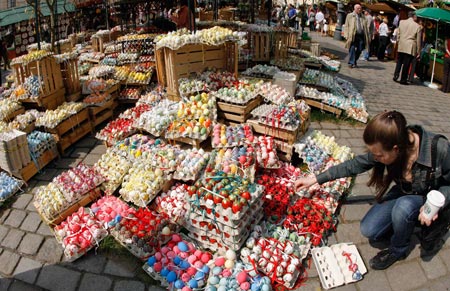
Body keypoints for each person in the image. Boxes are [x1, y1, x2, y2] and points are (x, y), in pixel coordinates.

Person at [295, 110, 450, 270]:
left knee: (404, 207)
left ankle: (398, 249)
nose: (375, 158)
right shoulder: (391, 143)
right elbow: (354, 165)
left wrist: (437, 202)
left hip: (429, 197)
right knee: (369, 229)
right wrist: (315, 179)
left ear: (396, 149)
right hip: (405, 191)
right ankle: (405, 222)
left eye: (379, 156)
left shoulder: (438, 148)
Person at [393, 11, 422, 85]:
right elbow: (418, 40)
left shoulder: (402, 22)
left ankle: (396, 75)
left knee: (399, 61)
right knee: (406, 63)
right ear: (414, 16)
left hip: (402, 44)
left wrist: (399, 41)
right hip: (410, 45)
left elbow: (398, 34)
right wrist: (418, 51)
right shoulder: (417, 26)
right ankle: (403, 79)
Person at [344, 4, 370, 68]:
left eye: (360, 8)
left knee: (360, 49)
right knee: (352, 48)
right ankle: (351, 63)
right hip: (353, 35)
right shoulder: (350, 16)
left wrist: (368, 36)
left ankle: (354, 60)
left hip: (361, 35)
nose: (360, 9)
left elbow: (366, 28)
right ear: (354, 8)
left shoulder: (363, 17)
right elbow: (346, 26)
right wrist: (346, 34)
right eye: (358, 8)